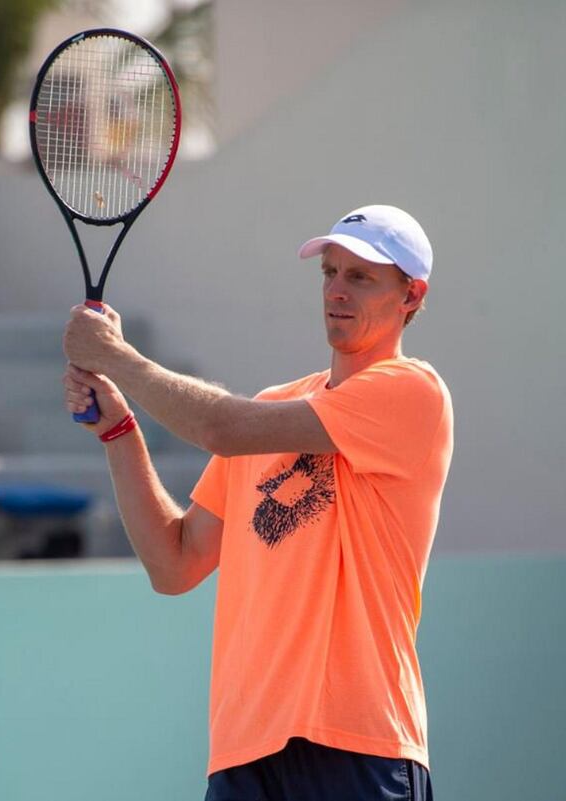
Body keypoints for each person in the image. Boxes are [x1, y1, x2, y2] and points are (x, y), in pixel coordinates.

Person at [62, 204, 453, 801]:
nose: (337, 291)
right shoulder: (278, 403)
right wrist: (120, 432)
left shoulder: (412, 391)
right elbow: (174, 564)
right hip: (244, 751)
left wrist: (116, 355)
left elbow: (222, 427)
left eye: (361, 277)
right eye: (329, 272)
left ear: (411, 295)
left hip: (361, 743)